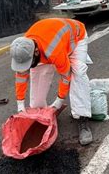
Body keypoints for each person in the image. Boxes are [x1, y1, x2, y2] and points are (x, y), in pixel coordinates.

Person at [10, 17, 93, 145]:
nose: (26, 67)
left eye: (28, 62)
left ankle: (82, 118)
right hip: (50, 39)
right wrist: (20, 104)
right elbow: (21, 76)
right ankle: (41, 115)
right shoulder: (23, 47)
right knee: (37, 78)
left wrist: (58, 101)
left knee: (78, 72)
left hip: (76, 38)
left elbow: (66, 76)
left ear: (36, 52)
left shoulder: (53, 50)